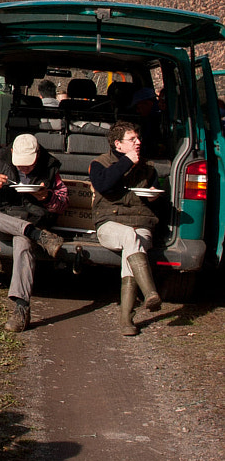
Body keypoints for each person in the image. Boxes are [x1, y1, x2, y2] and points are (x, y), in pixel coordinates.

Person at [0, 132, 68, 333]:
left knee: (23, 242)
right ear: (11, 152)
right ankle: (36, 234)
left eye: (28, 164)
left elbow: (62, 204)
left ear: (37, 155)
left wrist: (46, 197)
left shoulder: (50, 167)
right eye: (20, 162)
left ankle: (21, 308)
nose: (23, 167)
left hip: (30, 219)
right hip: (4, 220)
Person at [90, 122, 161, 335]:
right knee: (130, 237)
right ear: (118, 144)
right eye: (132, 140)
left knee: (133, 241)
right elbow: (103, 185)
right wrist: (126, 162)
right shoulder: (99, 163)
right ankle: (147, 295)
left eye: (138, 138)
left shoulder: (148, 167)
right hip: (109, 224)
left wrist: (154, 195)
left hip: (140, 223)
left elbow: (155, 197)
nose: (138, 142)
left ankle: (127, 319)